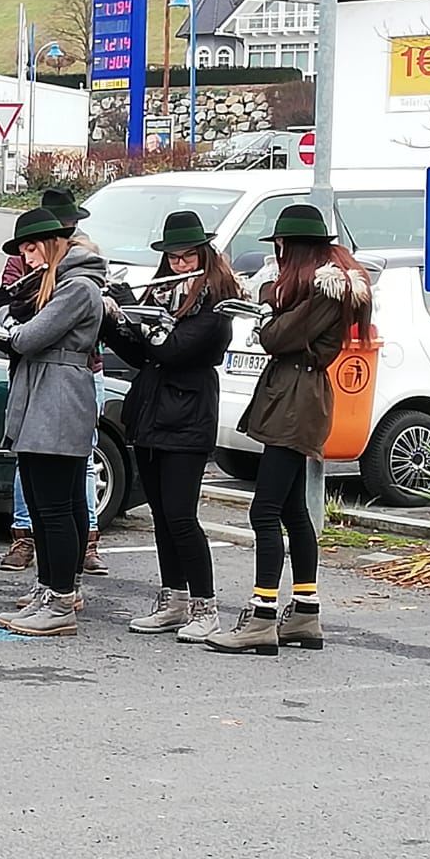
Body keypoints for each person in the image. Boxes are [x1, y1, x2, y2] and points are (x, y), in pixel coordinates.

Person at [207, 204, 371, 656]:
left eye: (280, 244)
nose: (276, 252)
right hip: (297, 392)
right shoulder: (318, 285)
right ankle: (304, 611)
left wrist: (268, 317)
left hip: (298, 397)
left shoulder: (325, 289)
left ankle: (262, 616)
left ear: (294, 247)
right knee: (294, 510)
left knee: (264, 510)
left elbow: (277, 337)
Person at [100, 210, 241, 641]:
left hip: (189, 413)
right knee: (161, 515)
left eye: (187, 257)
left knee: (181, 516)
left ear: (204, 254)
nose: (179, 265)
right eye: (173, 258)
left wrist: (145, 321)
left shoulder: (217, 302)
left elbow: (174, 350)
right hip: (152, 410)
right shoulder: (162, 294)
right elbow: (140, 355)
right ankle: (173, 599)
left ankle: (206, 607)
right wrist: (116, 318)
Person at [0, 207, 107, 638]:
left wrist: (3, 317)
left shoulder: (76, 286)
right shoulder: (62, 283)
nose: (27, 258)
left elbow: (27, 338)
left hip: (58, 396)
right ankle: (54, 587)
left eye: (31, 249)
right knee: (49, 503)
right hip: (45, 391)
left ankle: (60, 599)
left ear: (51, 245)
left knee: (55, 506)